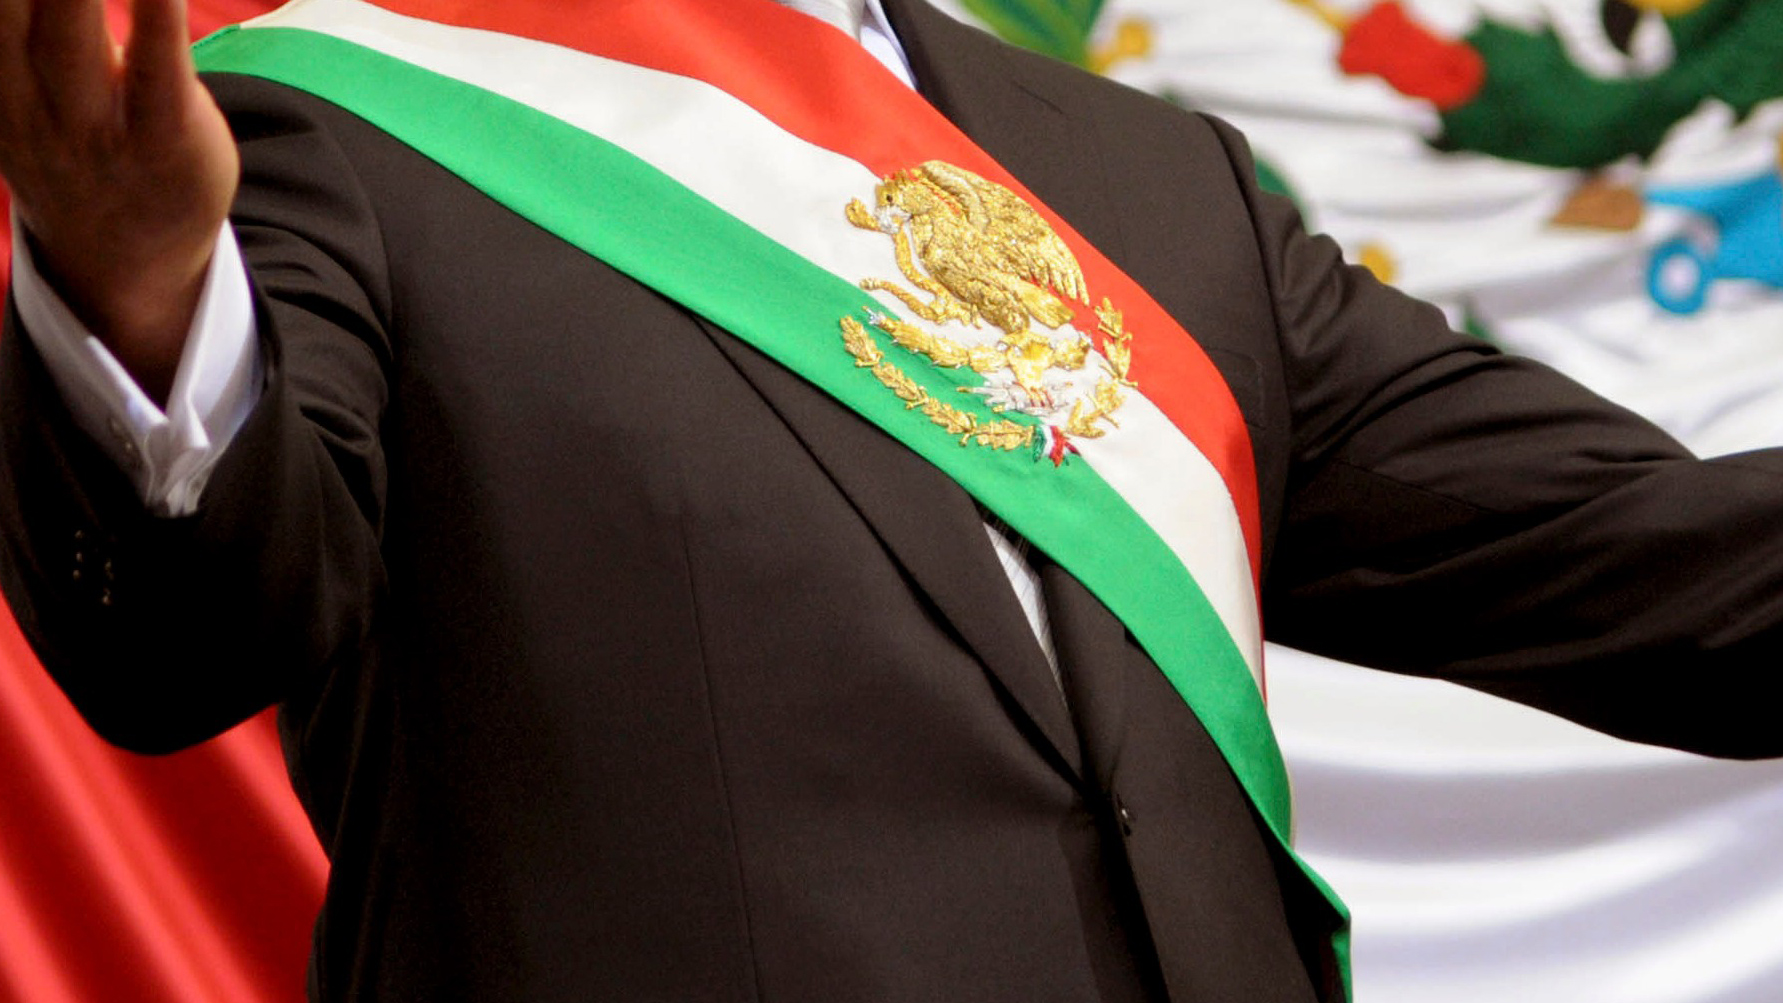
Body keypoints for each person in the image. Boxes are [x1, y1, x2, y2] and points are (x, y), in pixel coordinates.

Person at [2, 0, 1780, 1001]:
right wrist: (141, 288)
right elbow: (177, 644)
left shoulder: (1153, 182)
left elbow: (1671, 578)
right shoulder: (341, 111)